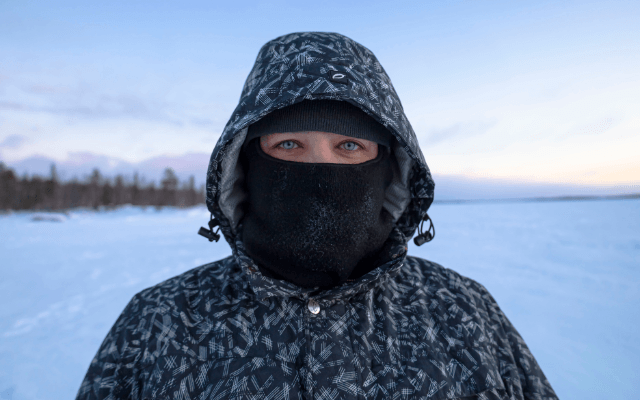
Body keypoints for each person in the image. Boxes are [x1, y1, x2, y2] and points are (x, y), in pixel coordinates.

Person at [76, 32, 558, 400]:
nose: (319, 169)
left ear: (389, 167)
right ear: (245, 162)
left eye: (349, 145)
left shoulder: (465, 315)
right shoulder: (159, 323)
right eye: (289, 144)